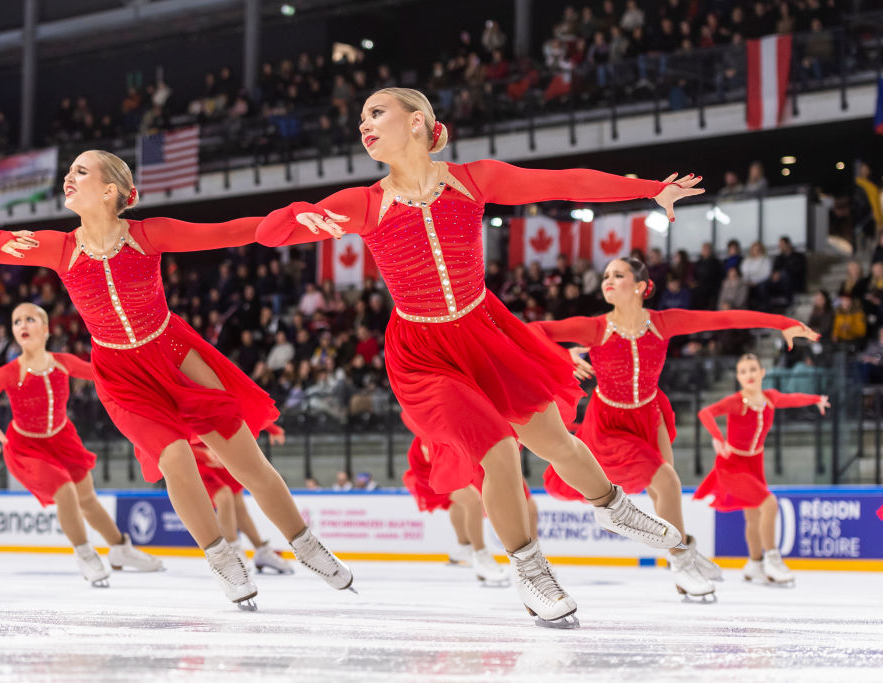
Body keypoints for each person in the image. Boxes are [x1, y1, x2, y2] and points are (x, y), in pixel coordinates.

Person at [254, 87, 702, 626]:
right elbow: (267, 233)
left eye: (377, 113)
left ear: (417, 122)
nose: (363, 124)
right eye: (361, 117)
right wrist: (301, 215)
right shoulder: (363, 203)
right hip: (423, 353)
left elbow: (563, 183)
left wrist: (651, 190)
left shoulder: (472, 180)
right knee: (499, 449)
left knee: (554, 438)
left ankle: (612, 507)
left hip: (485, 334)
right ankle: (531, 569)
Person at [0, 149, 350, 609]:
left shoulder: (148, 235)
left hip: (174, 354)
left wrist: (290, 215)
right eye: (68, 171)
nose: (68, 177)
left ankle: (306, 545)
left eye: (80, 172)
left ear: (110, 191)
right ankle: (222, 558)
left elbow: (227, 232)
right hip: (121, 376)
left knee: (247, 463)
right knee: (175, 458)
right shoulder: (59, 247)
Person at [533, 257, 818, 600]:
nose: (608, 280)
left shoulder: (663, 323)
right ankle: (683, 562)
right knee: (666, 481)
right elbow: (533, 331)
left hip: (650, 414)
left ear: (639, 286)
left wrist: (780, 322)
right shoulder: (596, 328)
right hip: (609, 421)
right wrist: (562, 357)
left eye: (618, 275)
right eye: (606, 275)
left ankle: (683, 554)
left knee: (663, 486)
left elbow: (724, 318)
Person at [0, 303, 164, 586]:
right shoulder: (10, 372)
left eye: (30, 319)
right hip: (27, 447)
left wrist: (136, 370)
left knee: (88, 500)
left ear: (46, 329)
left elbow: (101, 375)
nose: (22, 325)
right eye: (16, 321)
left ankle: (121, 549)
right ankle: (85, 554)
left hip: (63, 440)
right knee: (66, 491)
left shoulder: (63, 362)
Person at [694, 354, 829, 586]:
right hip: (732, 466)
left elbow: (792, 399)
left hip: (755, 463)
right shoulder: (736, 401)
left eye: (753, 369)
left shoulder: (770, 398)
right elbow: (705, 413)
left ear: (762, 372)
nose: (749, 375)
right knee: (769, 503)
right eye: (744, 371)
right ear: (738, 377)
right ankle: (773, 560)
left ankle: (755, 564)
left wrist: (816, 398)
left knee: (754, 516)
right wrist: (717, 438)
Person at [401, 412, 535, 586]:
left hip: (451, 449)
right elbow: (412, 417)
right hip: (433, 459)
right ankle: (480, 556)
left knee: (460, 501)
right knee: (472, 500)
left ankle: (464, 547)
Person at [191, 428, 294, 575]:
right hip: (199, 458)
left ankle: (261, 550)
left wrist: (272, 428)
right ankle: (232, 551)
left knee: (239, 505)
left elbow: (241, 406)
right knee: (224, 497)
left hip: (219, 450)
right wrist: (202, 454)